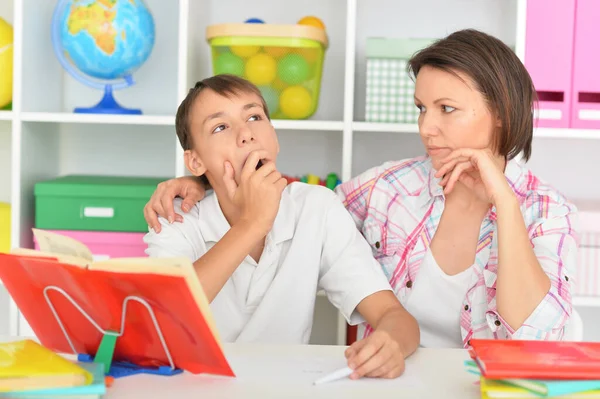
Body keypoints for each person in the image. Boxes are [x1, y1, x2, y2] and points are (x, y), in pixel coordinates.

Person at [144, 29, 578, 348]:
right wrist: (203, 180)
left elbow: (535, 337)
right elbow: (297, 210)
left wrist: (504, 201)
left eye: (446, 109)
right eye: (422, 109)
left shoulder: (546, 210)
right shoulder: (389, 188)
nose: (426, 128)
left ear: (501, 113)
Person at [143, 74, 419, 379]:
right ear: (195, 163)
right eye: (220, 127)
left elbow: (392, 315)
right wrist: (252, 223)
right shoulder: (175, 218)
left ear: (274, 136)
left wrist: (390, 343)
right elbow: (164, 317)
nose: (245, 133)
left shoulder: (316, 207)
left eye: (254, 117)